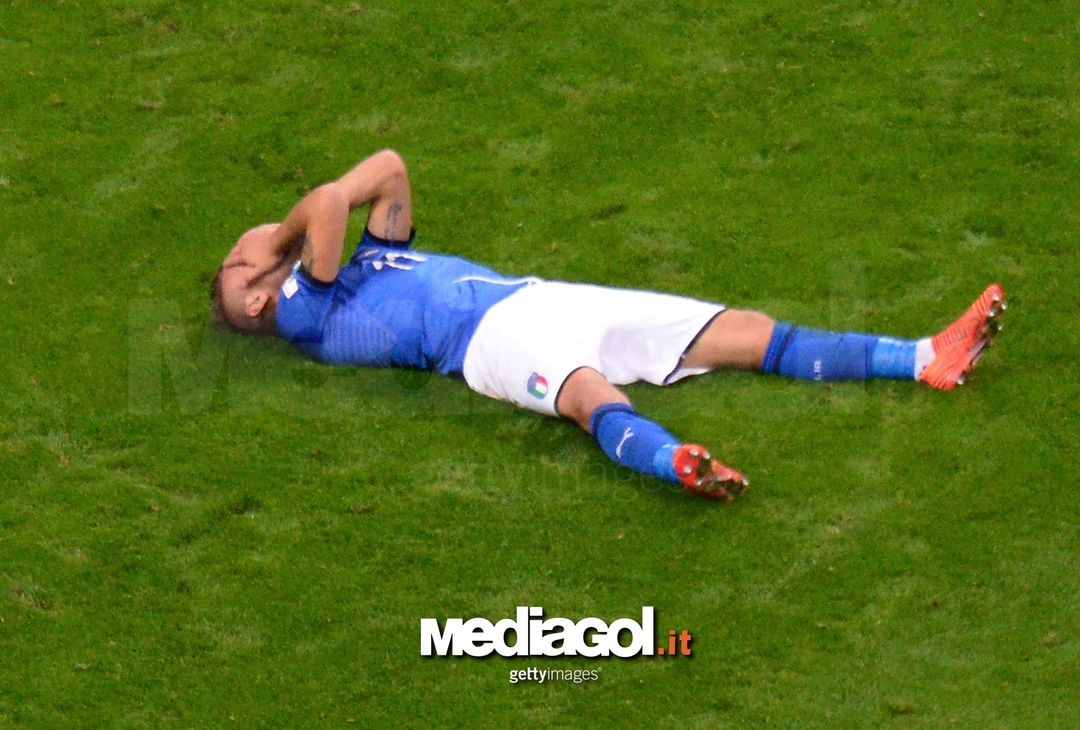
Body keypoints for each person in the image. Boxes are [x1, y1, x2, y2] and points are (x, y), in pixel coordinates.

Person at [210, 150, 1006, 501]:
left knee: (745, 331)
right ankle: (675, 464)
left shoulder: (357, 267)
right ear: (255, 301)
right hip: (483, 347)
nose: (248, 240)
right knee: (591, 398)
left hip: (543, 295)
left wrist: (276, 247)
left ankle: (924, 358)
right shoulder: (305, 312)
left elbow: (386, 166)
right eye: (239, 260)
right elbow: (322, 200)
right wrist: (276, 249)